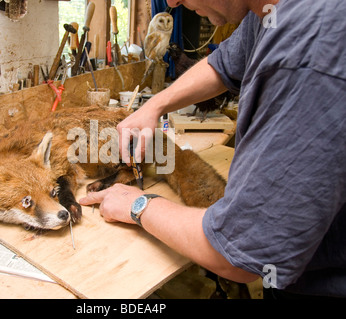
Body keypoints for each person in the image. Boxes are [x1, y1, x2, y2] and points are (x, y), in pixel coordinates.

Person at [79, 0, 346, 299]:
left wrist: (138, 205)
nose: (171, 2)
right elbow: (223, 64)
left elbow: (239, 253)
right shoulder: (267, 13)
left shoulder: (310, 54)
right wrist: (154, 106)